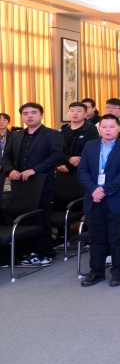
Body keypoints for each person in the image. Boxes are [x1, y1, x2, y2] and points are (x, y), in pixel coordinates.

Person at [76, 114, 120, 287]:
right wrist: (93, 190)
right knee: (97, 238)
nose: (107, 130)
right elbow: (82, 171)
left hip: (116, 199)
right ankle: (96, 272)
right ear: (99, 128)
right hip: (93, 198)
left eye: (111, 126)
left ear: (118, 128)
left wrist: (104, 190)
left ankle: (118, 272)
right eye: (104, 126)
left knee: (116, 238)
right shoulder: (90, 146)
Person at [1, 102, 63, 265]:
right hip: (20, 184)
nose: (29, 116)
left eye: (33, 112)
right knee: (22, 217)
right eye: (25, 113)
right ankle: (27, 251)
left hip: (42, 183)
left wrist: (34, 170)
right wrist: (10, 170)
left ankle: (45, 253)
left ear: (41, 115)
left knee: (41, 218)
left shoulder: (52, 134)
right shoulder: (16, 136)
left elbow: (56, 156)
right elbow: (6, 157)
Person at [58, 102, 100, 175]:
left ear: (85, 114)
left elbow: (90, 150)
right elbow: (57, 150)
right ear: (68, 113)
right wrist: (68, 159)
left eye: (79, 111)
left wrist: (69, 166)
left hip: (83, 170)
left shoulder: (91, 129)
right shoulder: (63, 130)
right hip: (62, 168)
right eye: (72, 111)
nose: (75, 113)